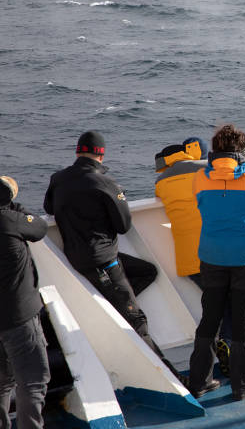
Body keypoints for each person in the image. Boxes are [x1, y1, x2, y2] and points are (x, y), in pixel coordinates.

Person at [44, 131, 180, 377]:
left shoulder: (58, 179)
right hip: (103, 260)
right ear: (101, 155)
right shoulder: (107, 184)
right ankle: (172, 377)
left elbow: (48, 208)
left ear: (78, 151)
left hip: (76, 257)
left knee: (146, 271)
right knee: (137, 320)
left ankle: (112, 309)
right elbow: (123, 226)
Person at [155, 138, 245, 376]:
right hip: (222, 252)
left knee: (217, 314)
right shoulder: (205, 174)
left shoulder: (161, 183)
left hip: (192, 259)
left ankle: (210, 371)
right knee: (238, 312)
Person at [188, 124, 245, 401]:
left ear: (214, 151)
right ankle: (241, 385)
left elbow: (199, 201)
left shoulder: (200, 178)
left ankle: (199, 381)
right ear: (243, 151)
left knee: (209, 321)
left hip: (212, 256)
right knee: (242, 323)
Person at [0, 176, 50, 429]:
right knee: (32, 381)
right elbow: (39, 228)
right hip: (18, 316)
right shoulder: (9, 220)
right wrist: (16, 209)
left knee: (1, 383)